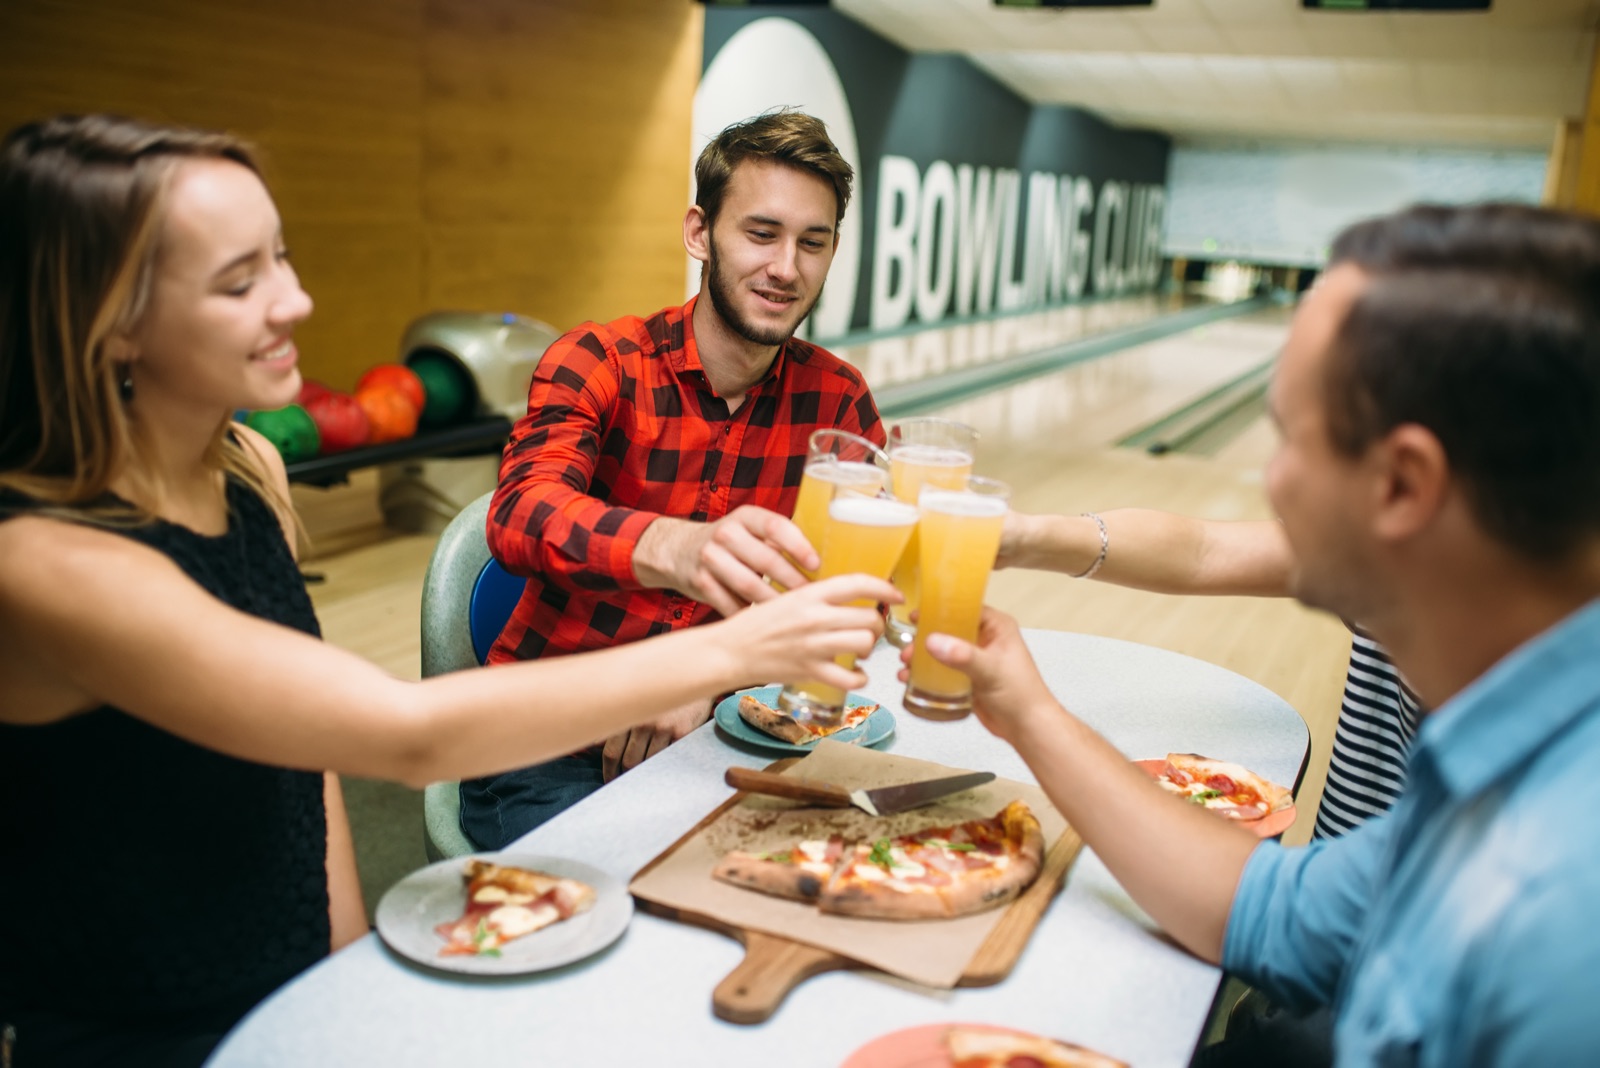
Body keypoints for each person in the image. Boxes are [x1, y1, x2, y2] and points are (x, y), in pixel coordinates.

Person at [0, 113, 896, 1068]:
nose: (297, 301)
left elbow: (305, 781)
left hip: (293, 989)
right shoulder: (46, 565)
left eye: (283, 260)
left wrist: (343, 981)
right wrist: (726, 640)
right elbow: (404, 729)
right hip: (146, 1031)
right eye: (240, 280)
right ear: (111, 324)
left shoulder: (246, 475)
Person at [910, 203, 1600, 1064]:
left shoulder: (1557, 914)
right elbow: (1275, 916)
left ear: (1402, 487)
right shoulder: (1495, 763)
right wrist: (1030, 713)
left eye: (1288, 440)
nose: (1267, 484)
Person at [466, 109, 883, 848]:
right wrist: (680, 548)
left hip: (728, 729)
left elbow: (861, 597)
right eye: (761, 234)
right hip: (548, 739)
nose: (786, 268)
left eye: (811, 243)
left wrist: (700, 682)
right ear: (699, 233)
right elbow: (522, 515)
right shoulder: (599, 360)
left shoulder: (838, 401)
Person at [997, 511, 1420, 839]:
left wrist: (1033, 717)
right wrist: (1024, 537)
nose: (1275, 475)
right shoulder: (1406, 536)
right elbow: (1205, 550)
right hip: (1353, 873)